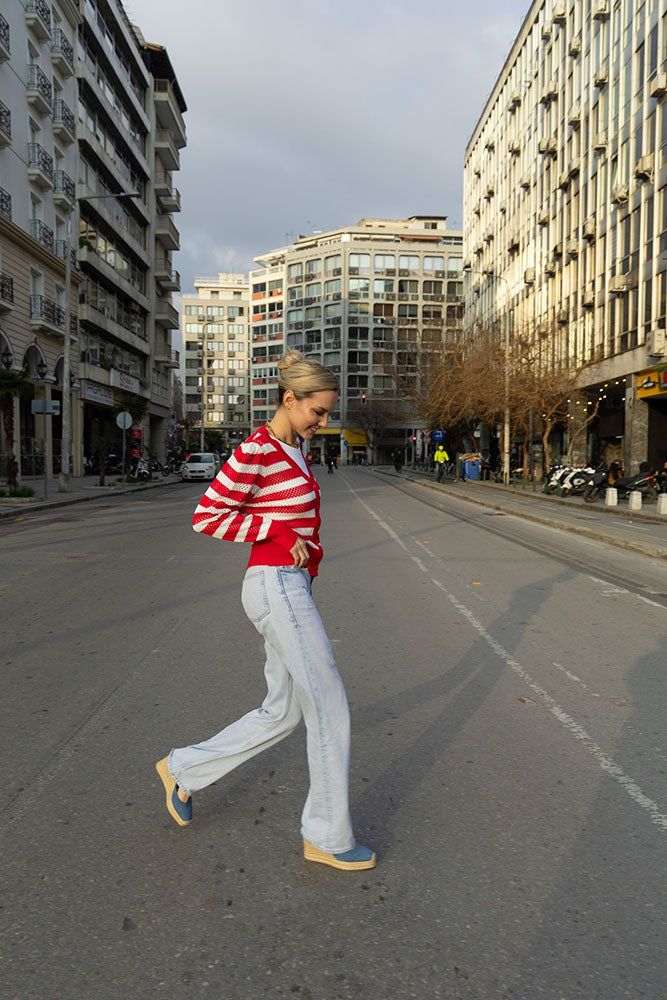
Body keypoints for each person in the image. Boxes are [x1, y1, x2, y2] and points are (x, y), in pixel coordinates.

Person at [155, 350, 376, 872]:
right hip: (275, 585)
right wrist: (276, 531)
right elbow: (206, 516)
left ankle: (183, 769)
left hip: (292, 584)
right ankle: (326, 834)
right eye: (317, 412)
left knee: (284, 710)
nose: (323, 422)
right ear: (288, 399)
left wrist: (300, 545)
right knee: (329, 703)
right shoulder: (256, 450)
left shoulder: (294, 446)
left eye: (327, 413)